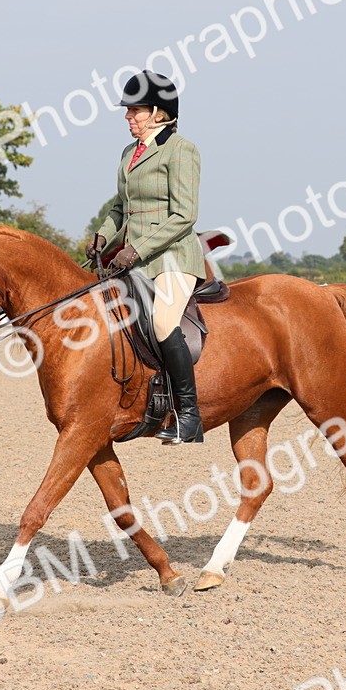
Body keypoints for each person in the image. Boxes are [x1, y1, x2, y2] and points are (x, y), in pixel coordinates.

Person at [85, 71, 204, 444]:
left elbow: (185, 214)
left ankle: (188, 416)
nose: (128, 118)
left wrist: (136, 248)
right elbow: (121, 208)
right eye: (129, 111)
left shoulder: (181, 150)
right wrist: (104, 235)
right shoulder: (128, 154)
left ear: (159, 113)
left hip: (173, 257)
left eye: (135, 111)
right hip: (134, 260)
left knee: (164, 321)